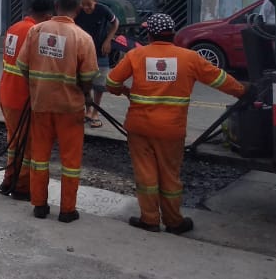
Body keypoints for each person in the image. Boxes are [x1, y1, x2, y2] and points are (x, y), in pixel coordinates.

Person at [107, 13, 249, 235]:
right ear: (172, 34)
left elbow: (111, 82)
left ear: (150, 33)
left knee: (146, 175)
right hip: (171, 130)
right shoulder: (189, 58)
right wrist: (243, 92)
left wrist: (123, 91)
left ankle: (150, 219)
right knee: (170, 175)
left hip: (139, 127)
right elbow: (219, 79)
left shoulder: (136, 55)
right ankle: (174, 222)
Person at [16, 0, 98, 222]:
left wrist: (36, 88)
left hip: (40, 105)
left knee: (39, 158)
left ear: (56, 6)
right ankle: (67, 210)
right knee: (70, 162)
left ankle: (39, 206)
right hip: (70, 109)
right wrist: (87, 95)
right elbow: (89, 74)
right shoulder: (82, 37)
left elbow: (23, 65)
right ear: (78, 9)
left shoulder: (37, 30)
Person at [0, 0, 54, 200]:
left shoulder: (14, 27)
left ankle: (8, 179)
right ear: (47, 16)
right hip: (23, 98)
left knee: (14, 142)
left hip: (7, 93)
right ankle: (21, 187)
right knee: (28, 146)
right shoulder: (35, 32)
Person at [75, 0, 119, 129]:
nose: (86, 8)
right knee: (85, 83)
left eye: (89, 4)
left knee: (99, 85)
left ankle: (95, 113)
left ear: (95, 2)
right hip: (83, 52)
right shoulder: (78, 12)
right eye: (83, 5)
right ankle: (87, 111)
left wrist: (108, 40)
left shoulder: (103, 10)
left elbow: (115, 23)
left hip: (100, 52)